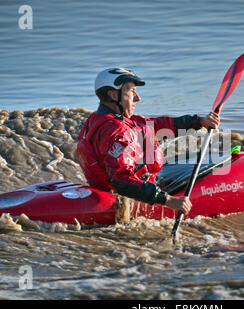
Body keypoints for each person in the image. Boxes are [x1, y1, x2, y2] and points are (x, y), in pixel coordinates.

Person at [76, 67, 219, 214]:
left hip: (116, 189)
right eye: (132, 91)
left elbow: (156, 126)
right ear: (113, 94)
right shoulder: (118, 132)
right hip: (133, 197)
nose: (138, 98)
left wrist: (198, 121)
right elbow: (121, 181)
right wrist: (169, 201)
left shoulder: (96, 120)